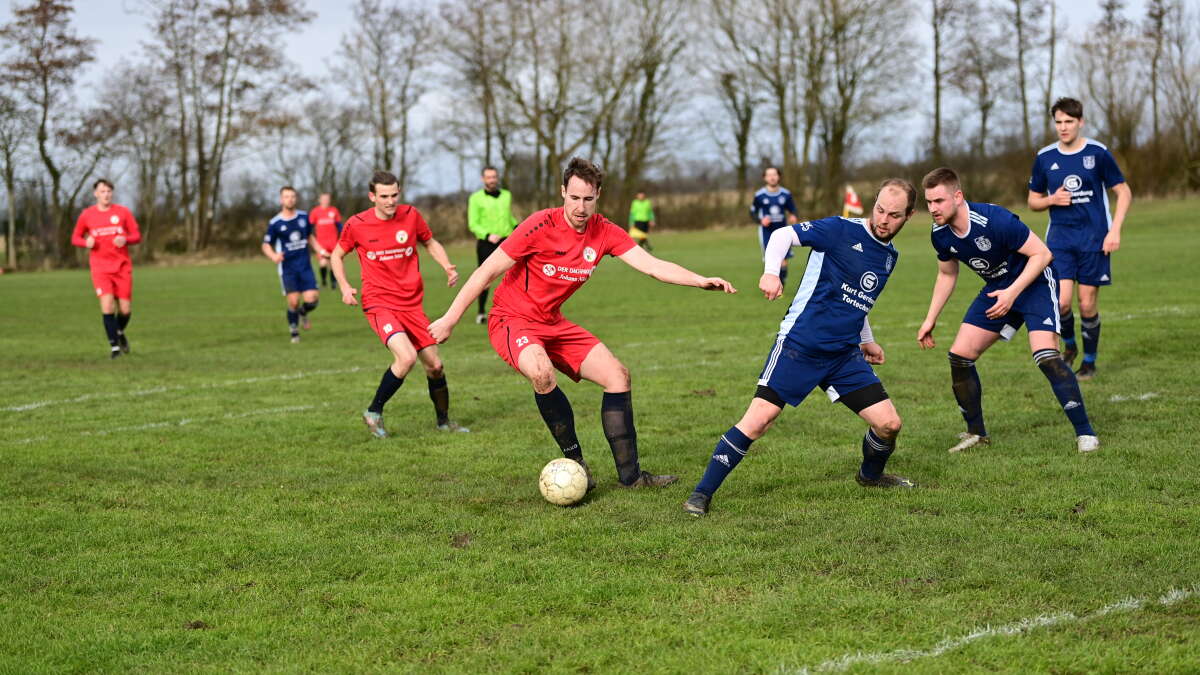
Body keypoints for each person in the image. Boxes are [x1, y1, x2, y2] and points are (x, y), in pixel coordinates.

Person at [429, 157, 736, 490]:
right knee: (542, 372)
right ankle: (576, 465)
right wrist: (450, 318)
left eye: (588, 199)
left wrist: (699, 280)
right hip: (511, 319)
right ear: (563, 192)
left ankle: (632, 477)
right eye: (574, 198)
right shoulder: (538, 225)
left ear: (598, 196)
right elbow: (486, 271)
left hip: (553, 322)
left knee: (618, 376)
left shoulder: (603, 231)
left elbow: (652, 265)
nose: (580, 206)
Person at [683, 179, 917, 517]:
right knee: (759, 421)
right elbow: (782, 235)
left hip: (843, 356)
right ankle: (701, 494)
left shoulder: (888, 258)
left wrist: (866, 338)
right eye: (879, 209)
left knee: (889, 424)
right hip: (800, 346)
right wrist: (771, 272)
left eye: (894, 215)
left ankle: (870, 477)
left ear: (908, 216)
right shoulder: (838, 230)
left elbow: (857, 301)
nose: (883, 219)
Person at [919, 167, 1098, 454]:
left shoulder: (994, 219)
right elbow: (947, 275)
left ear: (958, 196)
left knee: (1046, 356)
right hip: (998, 288)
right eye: (928, 202)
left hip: (1036, 282)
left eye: (938, 201)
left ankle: (1085, 433)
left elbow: (1043, 254)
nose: (932, 209)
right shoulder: (939, 234)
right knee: (960, 356)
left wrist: (1012, 294)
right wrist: (930, 319)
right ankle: (976, 433)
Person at [330, 170, 469, 438]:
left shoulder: (411, 215)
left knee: (435, 366)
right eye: (384, 196)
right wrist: (345, 287)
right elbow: (337, 255)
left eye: (394, 195)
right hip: (379, 302)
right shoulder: (357, 224)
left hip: (412, 304)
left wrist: (447, 266)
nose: (390, 201)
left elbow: (429, 241)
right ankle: (374, 412)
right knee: (405, 358)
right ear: (372, 197)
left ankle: (443, 422)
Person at [1027, 97, 1132, 380]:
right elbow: (1032, 202)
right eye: (1058, 122)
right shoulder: (1045, 157)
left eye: (1069, 122)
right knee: (1061, 303)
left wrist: (1115, 230)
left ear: (1080, 122)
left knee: (1086, 304)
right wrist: (1052, 199)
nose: (1063, 127)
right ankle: (1070, 346)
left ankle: (1089, 361)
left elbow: (1124, 192)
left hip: (1094, 240)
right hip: (1060, 240)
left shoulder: (1098, 153)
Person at [71, 179, 141, 359]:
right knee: (108, 306)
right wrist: (86, 242)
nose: (106, 194)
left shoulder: (123, 212)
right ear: (96, 194)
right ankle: (114, 348)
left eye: (109, 191)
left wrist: (126, 239)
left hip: (122, 267)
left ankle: (118, 332)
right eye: (102, 191)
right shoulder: (87, 215)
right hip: (100, 268)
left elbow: (136, 235)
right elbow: (75, 238)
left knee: (125, 309)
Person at [261, 186, 323, 343]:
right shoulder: (275, 223)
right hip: (288, 268)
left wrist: (319, 251)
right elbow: (266, 244)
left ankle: (303, 312)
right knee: (293, 301)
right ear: (281, 200)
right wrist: (273, 255)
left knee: (312, 299)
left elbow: (310, 237)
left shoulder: (303, 216)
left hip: (305, 266)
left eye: (293, 196)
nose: (290, 199)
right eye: (287, 196)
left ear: (296, 198)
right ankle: (294, 331)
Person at [467, 166, 518, 324]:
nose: (492, 180)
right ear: (483, 179)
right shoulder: (475, 198)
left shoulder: (506, 195)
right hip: (486, 242)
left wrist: (518, 228)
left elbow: (509, 218)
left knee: (515, 276)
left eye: (494, 177)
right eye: (489, 177)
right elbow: (473, 223)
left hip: (507, 241)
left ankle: (515, 311)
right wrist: (488, 235)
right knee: (485, 278)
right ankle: (481, 312)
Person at [750, 166, 798, 285]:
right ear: (764, 178)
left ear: (779, 176)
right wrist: (761, 220)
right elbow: (752, 212)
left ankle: (780, 285)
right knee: (770, 261)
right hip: (767, 232)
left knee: (783, 261)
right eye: (769, 175)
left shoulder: (786, 194)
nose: (772, 177)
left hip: (783, 231)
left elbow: (793, 209)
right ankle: (771, 285)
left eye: (774, 174)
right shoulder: (759, 195)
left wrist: (793, 215)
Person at [309, 192, 343, 290]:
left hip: (333, 243)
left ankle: (333, 283)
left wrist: (344, 236)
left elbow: (339, 226)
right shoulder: (315, 212)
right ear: (319, 200)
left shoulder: (334, 210)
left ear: (329, 200)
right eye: (323, 199)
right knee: (323, 263)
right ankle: (323, 281)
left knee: (333, 264)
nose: (325, 201)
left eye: (327, 199)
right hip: (321, 244)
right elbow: (309, 227)